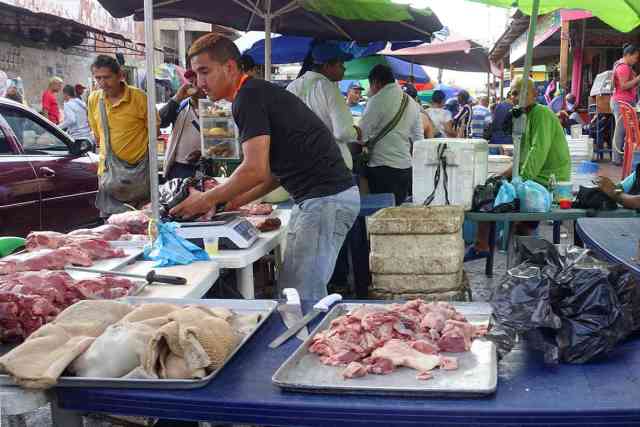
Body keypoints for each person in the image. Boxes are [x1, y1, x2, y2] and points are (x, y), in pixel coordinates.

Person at [170, 33, 360, 301]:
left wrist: (205, 199)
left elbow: (254, 170)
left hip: (324, 199)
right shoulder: (256, 93)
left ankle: (313, 342)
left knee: (299, 297)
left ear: (230, 67)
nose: (200, 83)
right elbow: (274, 173)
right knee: (295, 292)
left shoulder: (247, 97)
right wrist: (235, 201)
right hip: (326, 198)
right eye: (195, 74)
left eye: (205, 71)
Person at [465, 78, 571, 261]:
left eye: (519, 92)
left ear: (534, 94)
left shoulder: (542, 114)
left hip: (549, 182)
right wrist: (500, 176)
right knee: (490, 187)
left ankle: (484, 245)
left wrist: (517, 180)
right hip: (535, 179)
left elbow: (537, 152)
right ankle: (521, 258)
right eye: (512, 93)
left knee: (494, 196)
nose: (515, 97)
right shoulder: (523, 117)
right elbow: (521, 159)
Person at [87, 55, 154, 217]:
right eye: (98, 78)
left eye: (107, 77)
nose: (103, 83)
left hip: (138, 176)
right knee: (111, 226)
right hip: (108, 175)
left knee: (141, 224)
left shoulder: (139, 98)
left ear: (120, 75)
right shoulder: (94, 99)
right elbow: (97, 136)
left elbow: (154, 132)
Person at [358, 64, 423, 205]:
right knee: (396, 212)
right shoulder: (412, 103)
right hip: (405, 167)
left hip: (381, 167)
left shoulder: (377, 100)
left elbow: (362, 135)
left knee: (379, 213)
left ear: (376, 82)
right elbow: (419, 139)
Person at [287, 42, 359, 170]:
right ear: (326, 66)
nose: (344, 68)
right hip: (332, 164)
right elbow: (343, 133)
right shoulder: (329, 89)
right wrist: (356, 132)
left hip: (301, 163)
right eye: (340, 64)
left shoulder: (292, 87)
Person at [159, 70, 206, 180]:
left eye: (196, 82)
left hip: (204, 168)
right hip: (179, 168)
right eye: (190, 83)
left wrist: (203, 153)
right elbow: (160, 121)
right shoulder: (180, 106)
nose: (193, 86)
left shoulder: (215, 108)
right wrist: (177, 97)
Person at [611, 44, 640, 165]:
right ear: (628, 55)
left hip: (623, 101)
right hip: (622, 101)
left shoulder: (623, 65)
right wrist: (638, 78)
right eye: (635, 57)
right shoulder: (623, 67)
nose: (636, 60)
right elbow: (623, 86)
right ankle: (616, 159)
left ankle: (620, 158)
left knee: (623, 130)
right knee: (621, 130)